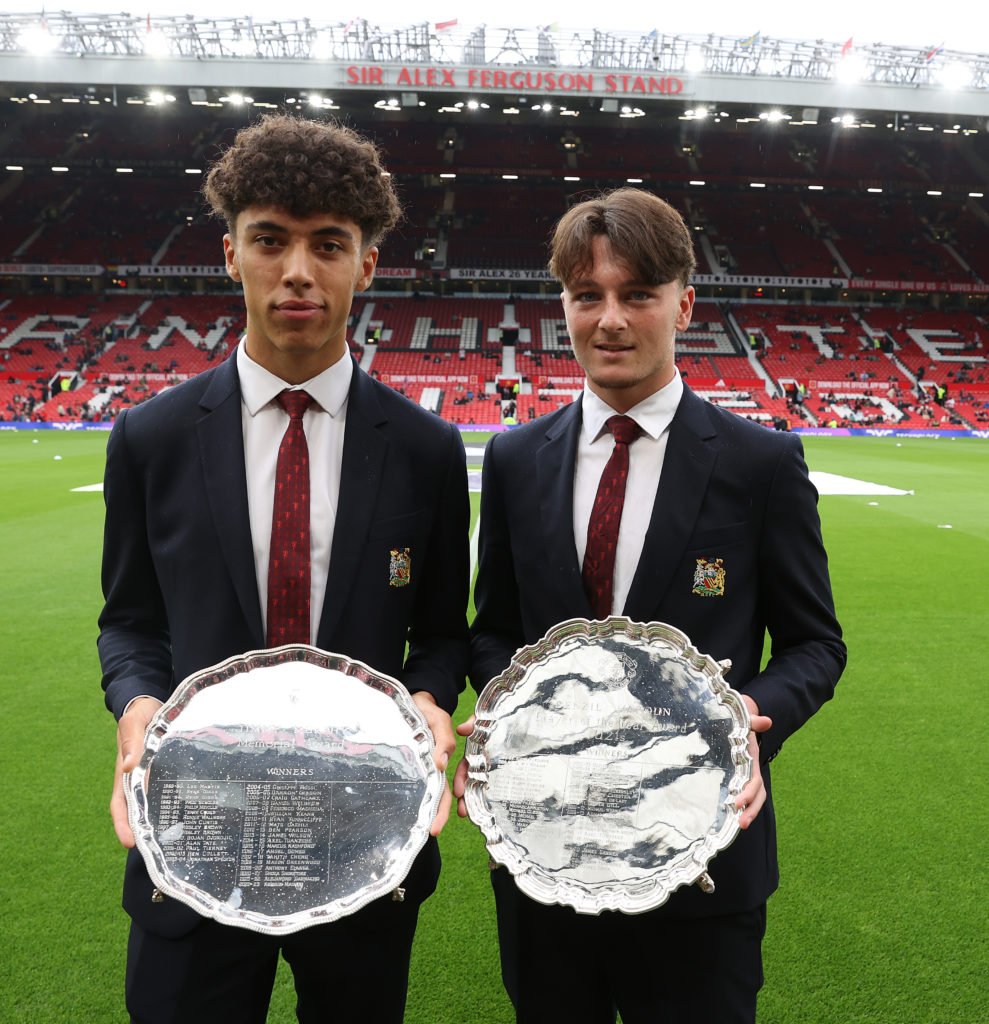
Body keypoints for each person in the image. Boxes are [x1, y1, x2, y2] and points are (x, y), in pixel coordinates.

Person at [98, 114, 470, 1024]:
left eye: (327, 245)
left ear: (366, 265)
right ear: (232, 255)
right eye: (270, 240)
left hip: (364, 827)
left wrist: (428, 700)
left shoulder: (426, 449)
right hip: (195, 815)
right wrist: (139, 707)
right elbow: (129, 623)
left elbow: (443, 635)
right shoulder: (150, 438)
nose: (297, 270)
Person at [454, 188, 846, 1024]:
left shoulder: (759, 462)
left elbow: (814, 644)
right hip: (545, 845)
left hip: (702, 850)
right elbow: (493, 633)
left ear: (683, 303)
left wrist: (748, 713)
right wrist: (511, 712)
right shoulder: (518, 458)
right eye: (586, 296)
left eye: (636, 294)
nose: (610, 320)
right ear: (562, 305)